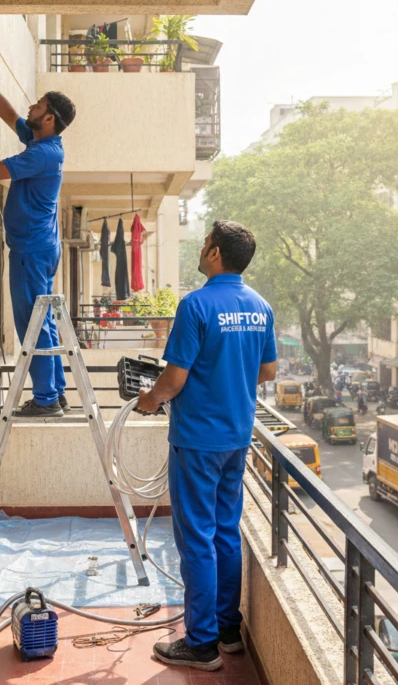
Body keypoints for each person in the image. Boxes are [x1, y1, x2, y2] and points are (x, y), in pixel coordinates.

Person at [136, 221, 277, 672]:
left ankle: (201, 646)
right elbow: (267, 372)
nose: (200, 248)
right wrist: (228, 383)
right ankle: (228, 631)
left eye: (204, 244)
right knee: (224, 531)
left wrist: (149, 400)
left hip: (197, 440)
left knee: (196, 538)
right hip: (236, 436)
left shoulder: (195, 305)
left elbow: (173, 379)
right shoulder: (260, 307)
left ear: (215, 254)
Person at [0, 62, 76, 418]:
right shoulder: (45, 142)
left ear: (49, 118)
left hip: (30, 250)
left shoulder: (42, 153)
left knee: (32, 323)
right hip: (41, 247)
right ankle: (54, 392)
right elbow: (11, 114)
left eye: (38, 106)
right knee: (45, 321)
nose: (31, 107)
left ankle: (44, 400)